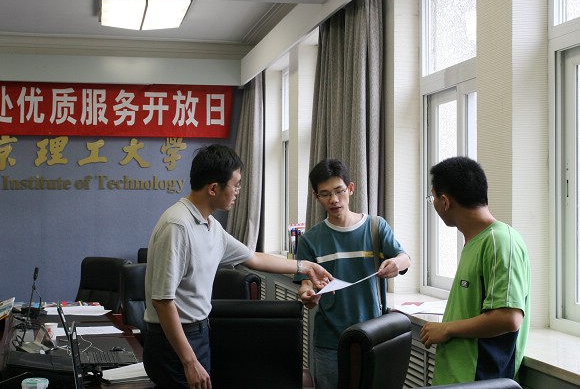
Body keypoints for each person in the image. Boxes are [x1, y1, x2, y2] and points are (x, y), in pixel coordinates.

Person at [142, 144, 332, 389]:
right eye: (236, 185)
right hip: (173, 340)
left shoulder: (210, 226)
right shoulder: (177, 226)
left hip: (199, 332)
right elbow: (162, 300)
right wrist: (189, 361)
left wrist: (305, 266)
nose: (238, 192)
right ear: (213, 188)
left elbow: (253, 258)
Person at [294, 158, 411, 389]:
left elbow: (404, 258)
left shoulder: (375, 227)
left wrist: (396, 263)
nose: (334, 200)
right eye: (325, 194)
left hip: (374, 336)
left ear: (351, 188)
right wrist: (307, 295)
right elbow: (305, 284)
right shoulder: (310, 240)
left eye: (339, 191)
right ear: (317, 197)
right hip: (329, 340)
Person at [420, 156, 531, 385]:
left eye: (433, 197)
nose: (434, 204)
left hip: (480, 381)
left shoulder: (500, 241)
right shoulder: (474, 241)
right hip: (456, 377)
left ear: (445, 201)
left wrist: (447, 329)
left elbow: (509, 318)